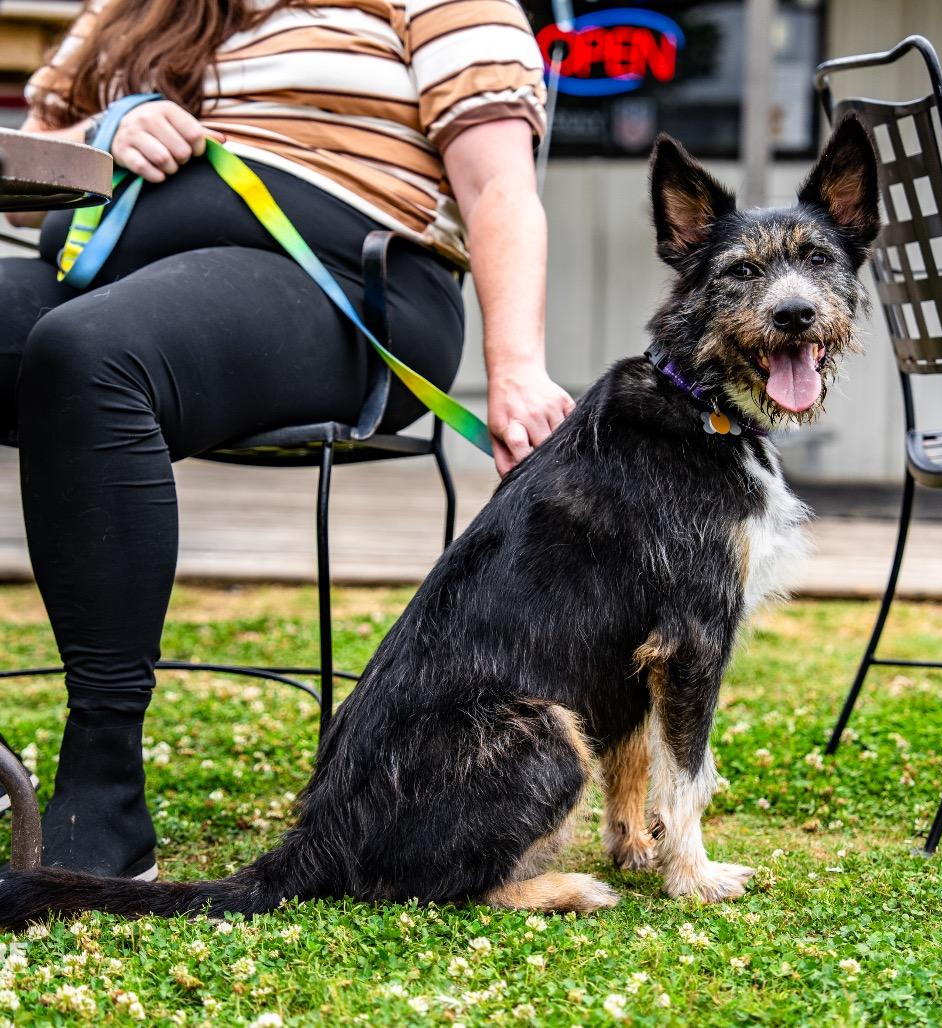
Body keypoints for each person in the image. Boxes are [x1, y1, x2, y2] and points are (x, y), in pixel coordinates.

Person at [0, 0, 573, 881]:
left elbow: (499, 185)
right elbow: (33, 149)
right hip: (104, 264)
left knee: (90, 354)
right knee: (84, 335)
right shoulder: (132, 6)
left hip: (344, 286)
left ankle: (101, 784)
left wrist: (519, 367)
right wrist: (109, 126)